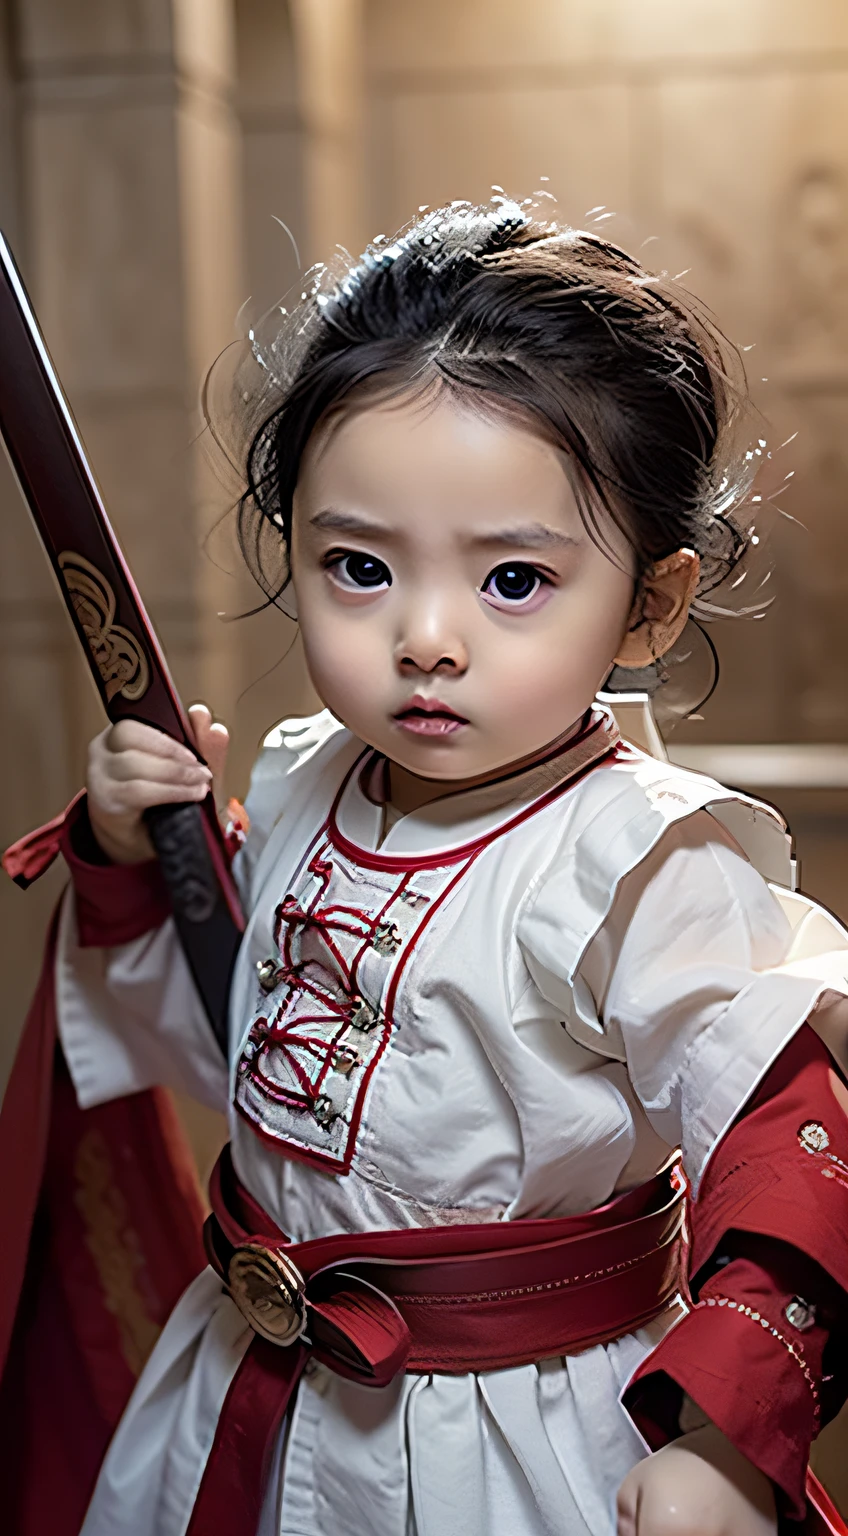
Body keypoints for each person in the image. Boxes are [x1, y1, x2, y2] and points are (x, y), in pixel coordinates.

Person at [8, 198, 848, 1536]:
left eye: (513, 580)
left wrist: (721, 1440)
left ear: (650, 603)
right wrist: (134, 853)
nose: (427, 638)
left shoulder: (641, 861)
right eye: (357, 566)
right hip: (244, 1395)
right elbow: (227, 1046)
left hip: (513, 1434)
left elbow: (797, 1149)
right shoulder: (298, 782)